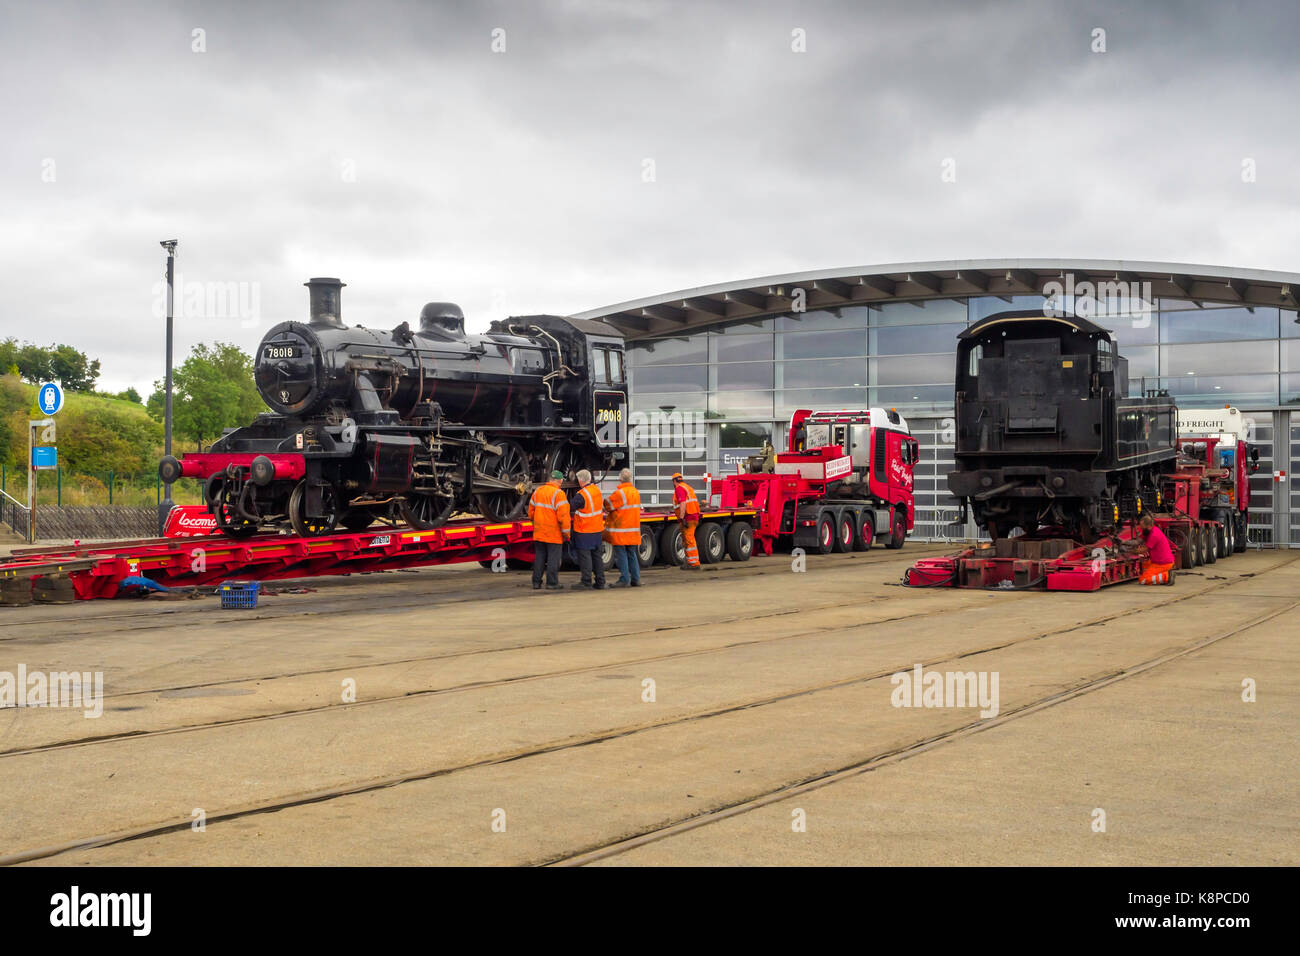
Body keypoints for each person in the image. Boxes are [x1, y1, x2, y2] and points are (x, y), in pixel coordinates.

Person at [528, 469, 570, 590]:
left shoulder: (538, 491)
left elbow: (531, 512)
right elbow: (563, 517)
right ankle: (552, 583)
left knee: (539, 557)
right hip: (553, 533)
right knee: (553, 559)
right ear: (559, 481)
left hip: (539, 531)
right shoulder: (559, 494)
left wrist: (535, 521)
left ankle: (536, 582)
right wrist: (566, 533)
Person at [605, 468, 642, 588]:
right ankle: (636, 579)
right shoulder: (635, 492)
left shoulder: (620, 493)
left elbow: (608, 505)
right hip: (633, 530)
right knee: (632, 554)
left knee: (621, 555)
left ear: (620, 479)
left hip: (621, 530)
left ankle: (624, 579)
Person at [570, 468, 607, 589]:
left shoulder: (581, 495)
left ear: (581, 481)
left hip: (584, 530)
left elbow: (570, 507)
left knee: (585, 557)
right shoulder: (596, 490)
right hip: (597, 529)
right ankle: (600, 581)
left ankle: (586, 581)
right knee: (597, 557)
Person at [671, 472, 701, 569]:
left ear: (674, 481)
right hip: (693, 516)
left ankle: (694, 563)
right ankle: (690, 562)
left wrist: (681, 517)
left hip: (688, 517)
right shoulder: (688, 487)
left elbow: (683, 503)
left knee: (689, 539)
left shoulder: (679, 488)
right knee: (687, 539)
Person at [1138, 513, 1175, 585]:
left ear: (1148, 526)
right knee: (1145, 564)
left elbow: (1144, 549)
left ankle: (1167, 576)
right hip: (1160, 562)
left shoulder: (1154, 535)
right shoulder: (1150, 530)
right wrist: (1124, 543)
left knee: (1143, 580)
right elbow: (1138, 540)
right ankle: (1164, 574)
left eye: (1142, 528)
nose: (1142, 530)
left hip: (1162, 564)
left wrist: (1130, 551)